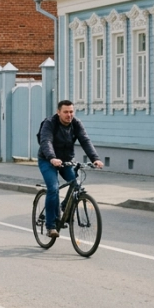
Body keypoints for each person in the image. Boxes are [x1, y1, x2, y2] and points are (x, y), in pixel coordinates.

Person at [37, 101, 103, 238]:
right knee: (53, 188)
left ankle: (64, 207)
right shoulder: (50, 123)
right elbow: (46, 141)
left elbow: (85, 140)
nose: (69, 115)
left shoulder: (76, 124)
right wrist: (52, 158)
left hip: (66, 160)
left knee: (76, 184)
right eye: (66, 112)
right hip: (48, 160)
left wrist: (95, 158)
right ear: (58, 112)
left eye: (71, 112)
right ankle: (51, 226)